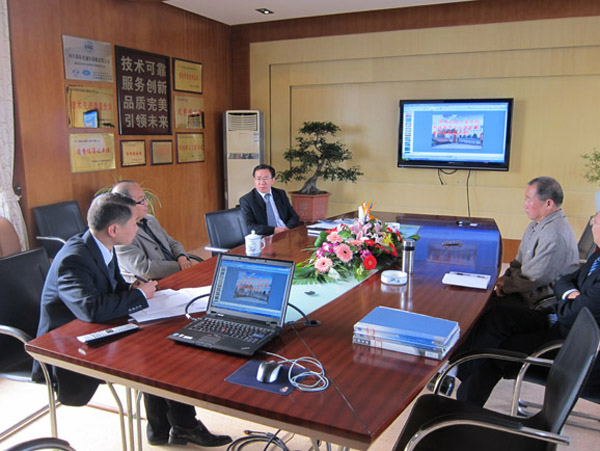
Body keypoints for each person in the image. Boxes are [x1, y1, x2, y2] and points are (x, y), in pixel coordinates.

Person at [33, 193, 231, 447]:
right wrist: (138, 295)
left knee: (161, 347)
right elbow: (91, 309)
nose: (138, 228)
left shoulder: (101, 244)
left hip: (97, 327)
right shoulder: (74, 258)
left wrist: (131, 288)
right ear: (114, 229)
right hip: (65, 346)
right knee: (154, 352)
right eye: (134, 223)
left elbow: (109, 287)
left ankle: (170, 427)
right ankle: (180, 426)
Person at [454, 210, 600, 407]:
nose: (592, 226)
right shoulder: (597, 255)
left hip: (569, 339)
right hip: (554, 316)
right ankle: (457, 367)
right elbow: (564, 280)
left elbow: (577, 314)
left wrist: (568, 297)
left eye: (595, 222)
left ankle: (464, 408)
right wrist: (571, 294)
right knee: (495, 315)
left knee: (493, 350)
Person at [492, 176, 579, 308]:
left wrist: (505, 285)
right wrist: (505, 278)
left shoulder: (554, 234)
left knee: (486, 309)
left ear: (548, 203)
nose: (525, 205)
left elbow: (532, 279)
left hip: (540, 300)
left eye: (529, 199)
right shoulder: (535, 224)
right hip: (524, 290)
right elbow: (518, 262)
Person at [112, 181, 199, 280]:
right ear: (125, 206)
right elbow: (144, 269)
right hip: (154, 283)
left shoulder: (150, 220)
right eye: (141, 201)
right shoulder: (121, 233)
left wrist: (182, 258)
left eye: (145, 199)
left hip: (177, 273)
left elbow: (172, 243)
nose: (146, 203)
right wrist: (180, 266)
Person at [239, 164, 300, 235]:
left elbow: (294, 216)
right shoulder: (247, 200)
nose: (262, 182)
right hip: (265, 236)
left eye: (266, 178)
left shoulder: (280, 194)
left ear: (273, 180)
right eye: (258, 179)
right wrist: (275, 230)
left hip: (285, 232)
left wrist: (287, 229)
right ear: (254, 180)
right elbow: (250, 226)